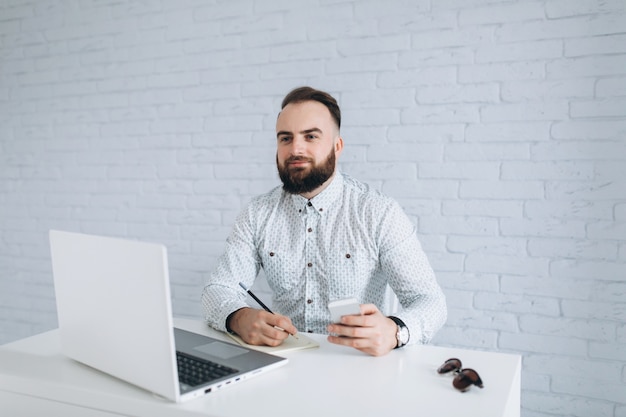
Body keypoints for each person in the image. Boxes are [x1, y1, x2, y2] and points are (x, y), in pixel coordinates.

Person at [202, 86, 446, 356]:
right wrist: (237, 317)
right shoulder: (257, 213)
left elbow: (430, 301)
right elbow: (218, 288)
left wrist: (396, 330)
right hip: (283, 363)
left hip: (358, 367)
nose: (296, 148)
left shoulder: (379, 212)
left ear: (337, 146)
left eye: (311, 136)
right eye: (285, 138)